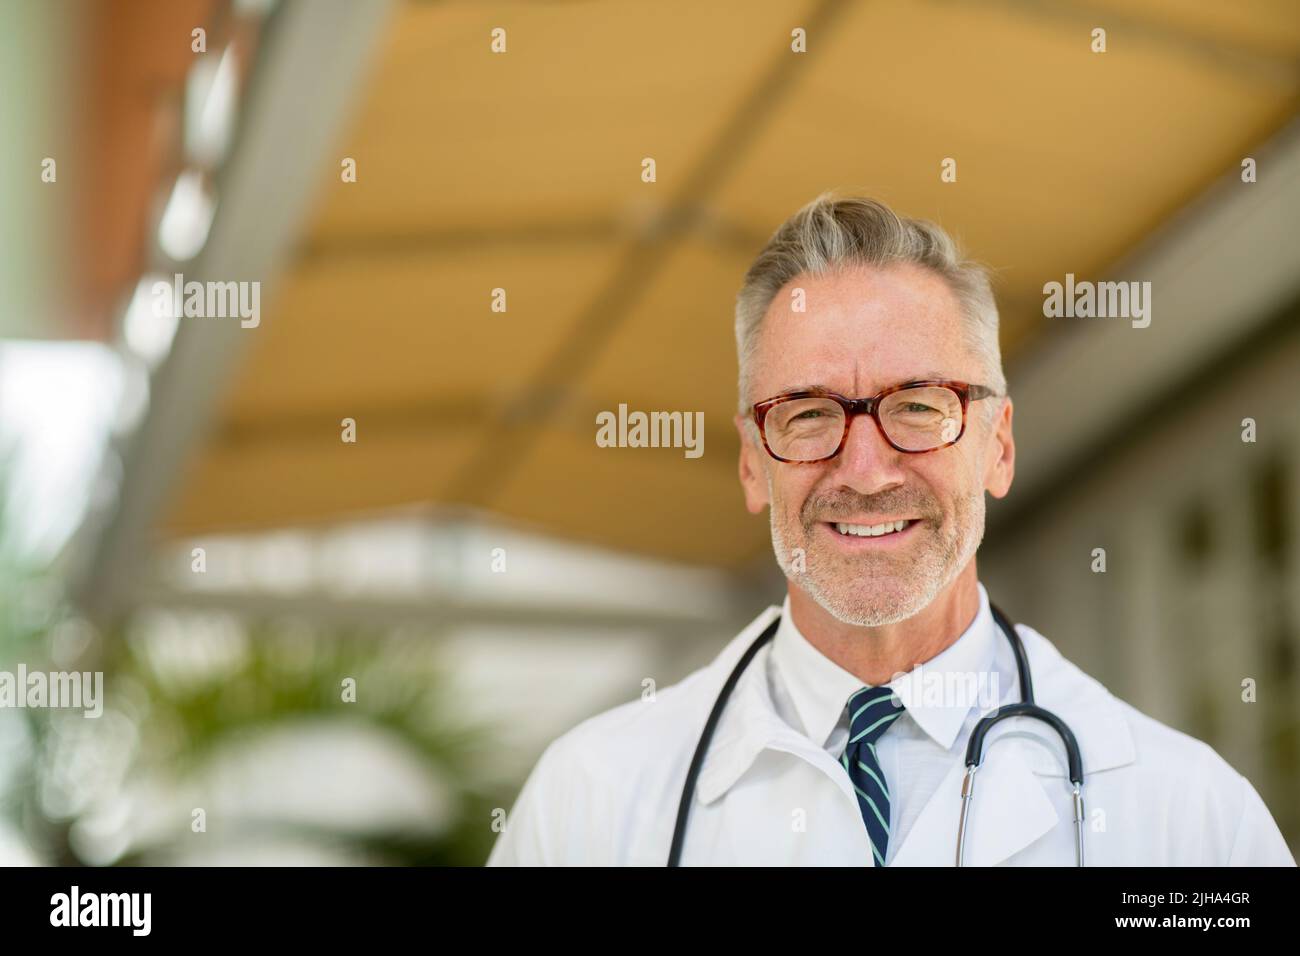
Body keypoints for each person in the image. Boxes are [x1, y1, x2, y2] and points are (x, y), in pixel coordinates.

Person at [486, 193, 1296, 866]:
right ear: (750, 465)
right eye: (807, 415)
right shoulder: (589, 804)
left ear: (999, 446)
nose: (867, 473)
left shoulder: (1188, 819)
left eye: (917, 406)